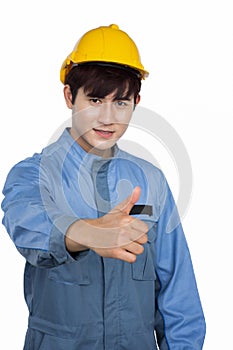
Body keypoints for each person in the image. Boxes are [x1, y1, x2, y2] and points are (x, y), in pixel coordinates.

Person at [1, 24, 206, 349]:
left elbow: (177, 294)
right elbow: (27, 225)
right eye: (95, 99)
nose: (108, 117)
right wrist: (88, 233)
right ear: (70, 96)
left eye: (121, 103)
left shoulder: (150, 181)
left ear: (137, 101)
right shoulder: (33, 175)